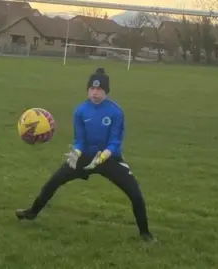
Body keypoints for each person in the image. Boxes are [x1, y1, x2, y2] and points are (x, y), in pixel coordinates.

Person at [16, 68, 155, 242]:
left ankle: (145, 233)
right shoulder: (80, 111)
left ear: (106, 91)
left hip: (109, 158)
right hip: (85, 157)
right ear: (88, 89)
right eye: (92, 89)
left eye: (99, 89)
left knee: (135, 194)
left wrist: (102, 157)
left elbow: (115, 142)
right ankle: (31, 213)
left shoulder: (116, 112)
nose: (95, 93)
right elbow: (80, 139)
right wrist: (76, 153)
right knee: (54, 181)